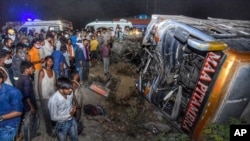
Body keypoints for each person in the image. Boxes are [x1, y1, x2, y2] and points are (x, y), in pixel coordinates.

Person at [16, 61, 39, 140]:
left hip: (23, 104)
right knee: (28, 123)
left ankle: (32, 134)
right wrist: (31, 106)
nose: (33, 70)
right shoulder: (26, 80)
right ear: (26, 70)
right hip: (28, 105)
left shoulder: (20, 77)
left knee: (29, 121)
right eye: (32, 68)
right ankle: (28, 138)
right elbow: (26, 95)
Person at [0, 70, 23, 140]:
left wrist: (1, 117)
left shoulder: (13, 92)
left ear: (0, 79)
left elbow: (18, 112)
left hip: (9, 124)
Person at [38, 55, 56, 137]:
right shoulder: (42, 72)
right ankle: (49, 131)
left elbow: (55, 85)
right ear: (45, 62)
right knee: (47, 115)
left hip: (52, 97)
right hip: (44, 97)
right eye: (48, 61)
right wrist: (41, 98)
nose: (50, 63)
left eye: (52, 61)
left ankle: (53, 127)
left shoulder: (54, 72)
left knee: (53, 114)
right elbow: (39, 85)